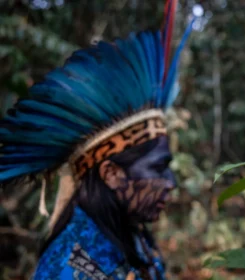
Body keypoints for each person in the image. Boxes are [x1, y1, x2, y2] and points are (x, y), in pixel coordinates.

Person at [0, 0, 195, 279]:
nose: (171, 182)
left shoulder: (133, 234)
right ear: (111, 173)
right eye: (158, 167)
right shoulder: (66, 268)